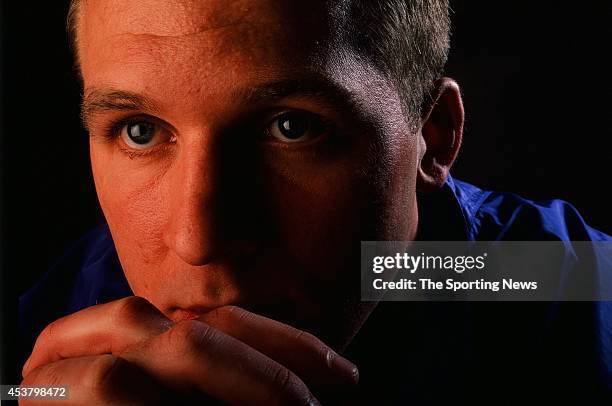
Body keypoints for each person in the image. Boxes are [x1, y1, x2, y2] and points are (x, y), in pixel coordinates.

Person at [19, 0, 612, 404]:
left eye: (291, 127)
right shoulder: (49, 317)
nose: (198, 240)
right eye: (139, 130)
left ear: (433, 136)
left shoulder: (553, 282)